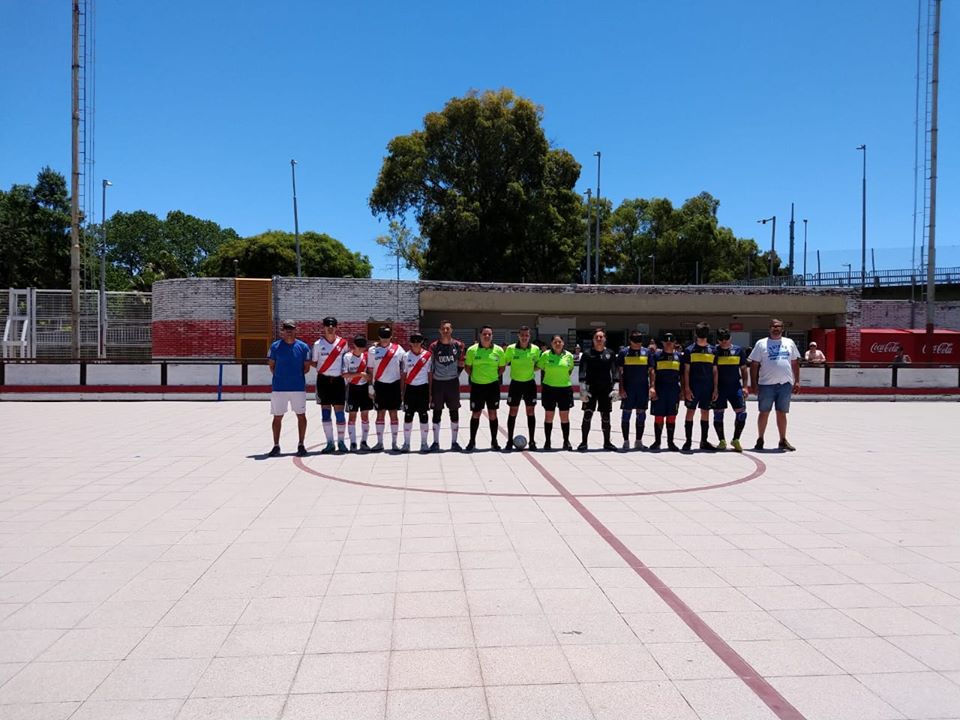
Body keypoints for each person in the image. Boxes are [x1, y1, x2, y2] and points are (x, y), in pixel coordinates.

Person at [748, 318, 801, 451]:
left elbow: (795, 362)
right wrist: (754, 383)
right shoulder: (761, 343)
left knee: (782, 412)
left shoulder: (789, 343)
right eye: (773, 326)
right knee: (764, 412)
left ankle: (783, 440)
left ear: (782, 328)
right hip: (766, 384)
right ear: (769, 328)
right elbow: (754, 364)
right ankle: (760, 439)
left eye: (778, 326)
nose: (775, 329)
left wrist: (797, 381)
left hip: (785, 384)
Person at [267, 319, 312, 457]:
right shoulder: (275, 347)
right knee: (277, 417)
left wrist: (294, 377)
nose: (289, 331)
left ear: (295, 330)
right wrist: (282, 377)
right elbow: (271, 366)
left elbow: (306, 368)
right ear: (282, 331)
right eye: (286, 329)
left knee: (301, 416)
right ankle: (276, 446)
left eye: (291, 329)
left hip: (298, 387)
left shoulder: (303, 347)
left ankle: (301, 444)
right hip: (279, 388)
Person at [464, 326, 506, 451]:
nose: (487, 336)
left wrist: (493, 377)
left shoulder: (499, 350)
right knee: (476, 413)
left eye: (489, 334)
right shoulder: (472, 350)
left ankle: (494, 441)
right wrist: (476, 377)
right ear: (480, 335)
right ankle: (472, 441)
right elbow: (467, 367)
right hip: (477, 386)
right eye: (484, 334)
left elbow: (502, 367)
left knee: (493, 413)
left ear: (492, 336)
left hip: (493, 386)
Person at [312, 316, 349, 454]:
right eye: (328, 325)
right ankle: (329, 443)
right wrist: (326, 370)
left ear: (336, 327)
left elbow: (346, 360)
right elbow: (314, 362)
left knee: (339, 412)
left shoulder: (343, 343)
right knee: (325, 412)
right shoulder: (317, 344)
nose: (330, 328)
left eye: (333, 325)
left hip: (338, 381)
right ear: (324, 327)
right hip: (323, 381)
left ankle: (341, 442)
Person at [428, 320, 466, 452]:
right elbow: (430, 365)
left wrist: (454, 375)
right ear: (439, 330)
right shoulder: (434, 346)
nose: (445, 331)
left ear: (452, 330)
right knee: (436, 412)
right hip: (438, 383)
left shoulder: (458, 345)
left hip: (452, 383)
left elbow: (461, 363)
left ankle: (454, 442)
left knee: (454, 412)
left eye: (448, 329)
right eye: (443, 328)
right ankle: (435, 442)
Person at [578, 328, 619, 451]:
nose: (599, 339)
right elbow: (582, 371)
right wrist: (582, 389)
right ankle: (583, 442)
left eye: (601, 337)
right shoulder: (587, 354)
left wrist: (616, 387)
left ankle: (607, 442)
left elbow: (615, 371)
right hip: (591, 388)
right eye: (596, 337)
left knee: (606, 417)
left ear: (605, 339)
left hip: (606, 389)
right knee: (587, 415)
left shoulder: (610, 353)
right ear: (593, 339)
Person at [503, 325, 541, 452]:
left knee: (530, 412)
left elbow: (538, 365)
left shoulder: (535, 349)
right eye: (522, 335)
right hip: (516, 384)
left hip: (530, 384)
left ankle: (532, 441)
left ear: (529, 336)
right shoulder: (511, 349)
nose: (524, 337)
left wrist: (530, 370)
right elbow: (504, 362)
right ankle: (509, 441)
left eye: (527, 335)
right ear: (518, 336)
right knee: (513, 411)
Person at [366, 325, 405, 451]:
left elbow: (404, 366)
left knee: (394, 414)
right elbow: (370, 369)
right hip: (380, 385)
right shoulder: (372, 350)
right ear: (379, 336)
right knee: (380, 413)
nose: (385, 339)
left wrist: (403, 389)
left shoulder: (398, 349)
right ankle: (379, 443)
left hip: (394, 385)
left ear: (391, 336)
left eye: (387, 336)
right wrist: (370, 386)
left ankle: (394, 443)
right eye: (383, 336)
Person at [681, 322, 718, 452]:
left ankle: (704, 441)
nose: (702, 334)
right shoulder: (689, 350)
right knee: (690, 411)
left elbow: (715, 371)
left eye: (705, 332)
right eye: (701, 332)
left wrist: (715, 389)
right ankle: (688, 441)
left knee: (705, 412)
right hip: (693, 387)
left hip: (708, 387)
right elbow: (686, 371)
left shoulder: (713, 350)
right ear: (696, 333)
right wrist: (686, 388)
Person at [712, 328, 750, 452]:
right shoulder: (714, 351)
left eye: (726, 338)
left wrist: (745, 386)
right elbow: (713, 371)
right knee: (718, 414)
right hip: (719, 388)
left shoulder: (738, 350)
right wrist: (714, 389)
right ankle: (721, 440)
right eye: (721, 339)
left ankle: (736, 439)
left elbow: (744, 369)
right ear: (718, 340)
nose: (724, 341)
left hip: (735, 387)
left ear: (730, 338)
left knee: (742, 413)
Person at [537, 334, 575, 450]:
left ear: (563, 343)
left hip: (565, 389)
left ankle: (566, 441)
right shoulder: (545, 355)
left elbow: (570, 369)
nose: (557, 344)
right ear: (551, 344)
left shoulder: (569, 356)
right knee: (549, 416)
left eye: (559, 342)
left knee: (564, 416)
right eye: (555, 342)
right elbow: (540, 367)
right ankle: (547, 441)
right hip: (549, 389)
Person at [616, 331, 653, 450]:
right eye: (636, 341)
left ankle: (638, 441)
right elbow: (620, 372)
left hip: (642, 388)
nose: (638, 344)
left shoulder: (647, 352)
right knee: (626, 414)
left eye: (640, 341)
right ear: (630, 341)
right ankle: (626, 441)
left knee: (641, 414)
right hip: (628, 388)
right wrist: (621, 388)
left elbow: (651, 371)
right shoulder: (624, 353)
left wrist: (652, 386)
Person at [649, 332, 682, 452]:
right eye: (666, 341)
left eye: (671, 341)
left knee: (672, 416)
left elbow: (683, 374)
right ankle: (657, 442)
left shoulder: (679, 356)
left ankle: (670, 442)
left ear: (674, 343)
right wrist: (652, 387)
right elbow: (652, 372)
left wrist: (684, 390)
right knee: (658, 416)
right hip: (660, 389)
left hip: (673, 390)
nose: (669, 343)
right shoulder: (656, 356)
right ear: (662, 343)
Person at [401, 333, 432, 453]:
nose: (415, 344)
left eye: (418, 341)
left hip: (423, 388)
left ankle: (424, 443)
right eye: (413, 341)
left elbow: (430, 375)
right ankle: (406, 443)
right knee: (408, 416)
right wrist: (402, 392)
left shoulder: (428, 355)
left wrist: (430, 393)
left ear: (421, 342)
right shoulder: (405, 356)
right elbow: (403, 375)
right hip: (410, 389)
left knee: (423, 416)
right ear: (410, 343)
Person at [341, 334, 373, 452]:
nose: (360, 349)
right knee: (352, 416)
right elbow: (344, 374)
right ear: (354, 345)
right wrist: (359, 374)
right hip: (352, 388)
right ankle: (353, 443)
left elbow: (370, 372)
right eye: (358, 346)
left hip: (364, 389)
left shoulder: (367, 356)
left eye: (363, 346)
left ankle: (364, 441)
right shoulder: (347, 357)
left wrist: (370, 383)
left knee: (365, 416)